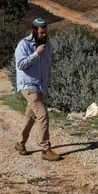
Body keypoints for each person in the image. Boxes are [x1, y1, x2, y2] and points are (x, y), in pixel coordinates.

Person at [14, 17, 62, 161]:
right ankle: (45, 149)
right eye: (41, 33)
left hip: (41, 87)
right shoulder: (24, 44)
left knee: (31, 116)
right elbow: (21, 65)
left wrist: (46, 87)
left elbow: (47, 67)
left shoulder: (48, 44)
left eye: (45, 32)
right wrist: (36, 54)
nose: (44, 35)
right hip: (28, 85)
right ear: (34, 31)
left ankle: (20, 143)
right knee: (43, 115)